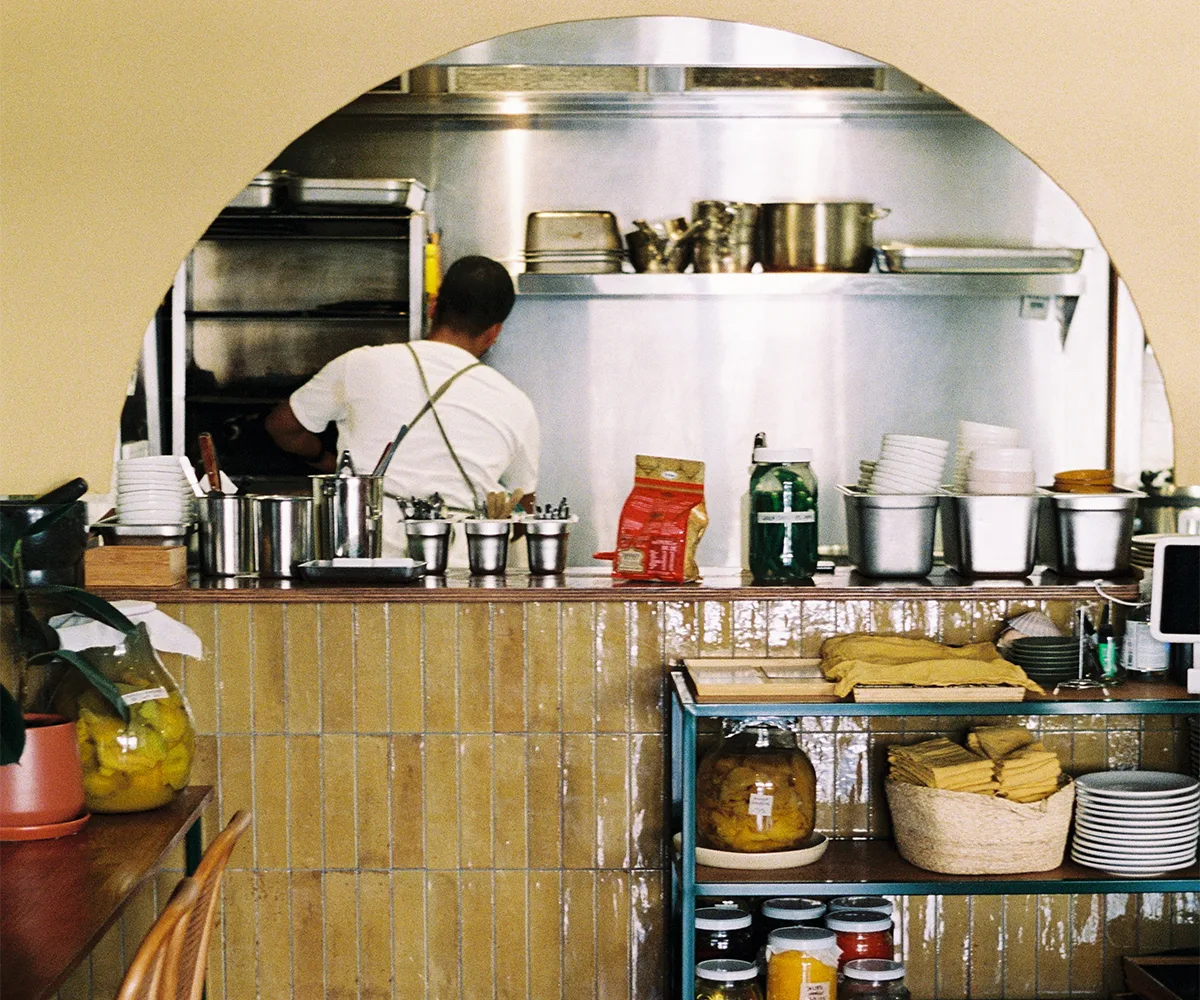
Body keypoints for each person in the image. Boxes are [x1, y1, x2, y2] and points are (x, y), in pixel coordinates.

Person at [265, 255, 539, 560]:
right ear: (494, 332)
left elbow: (282, 426)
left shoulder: (361, 364)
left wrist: (325, 461)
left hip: (364, 556)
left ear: (433, 306)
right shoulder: (516, 402)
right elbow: (524, 509)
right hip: (459, 570)